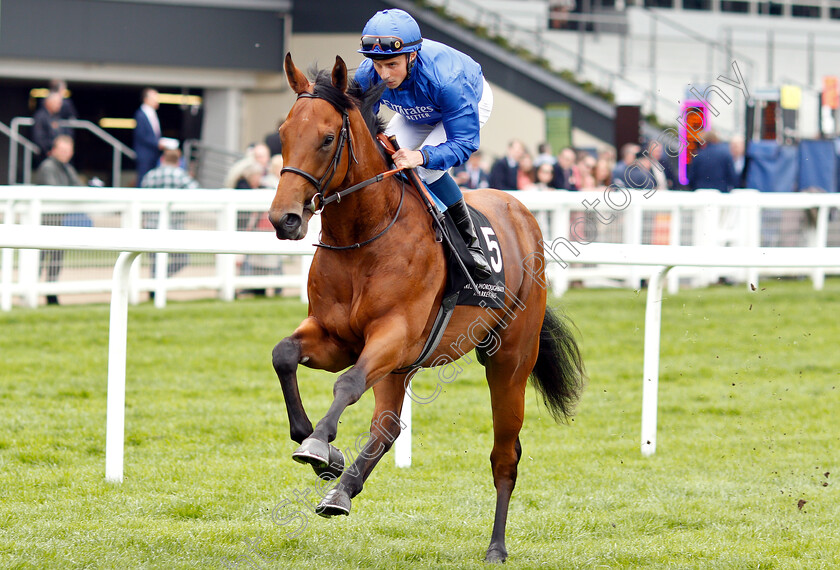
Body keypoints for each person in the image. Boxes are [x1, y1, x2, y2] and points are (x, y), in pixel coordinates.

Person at [354, 8, 492, 279]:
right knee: (383, 164)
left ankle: (469, 244)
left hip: (466, 102)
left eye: (392, 65)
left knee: (423, 170)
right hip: (415, 110)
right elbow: (361, 129)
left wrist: (422, 156)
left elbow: (463, 143)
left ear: (412, 55)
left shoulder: (448, 80)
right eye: (378, 65)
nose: (383, 75)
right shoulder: (367, 74)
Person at [34, 135, 84, 305]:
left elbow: (78, 187)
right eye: (62, 150)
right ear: (54, 150)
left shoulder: (67, 168)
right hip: (43, 222)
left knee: (56, 259)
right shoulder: (48, 166)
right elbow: (54, 191)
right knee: (39, 259)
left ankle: (51, 293)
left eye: (68, 151)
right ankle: (32, 290)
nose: (65, 153)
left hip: (58, 221)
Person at [141, 148, 197, 281]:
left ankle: (155, 284)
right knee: (182, 259)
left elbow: (142, 197)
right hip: (174, 225)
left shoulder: (151, 174)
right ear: (178, 161)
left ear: (162, 159)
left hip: (152, 224)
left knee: (155, 261)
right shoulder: (181, 175)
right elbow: (196, 192)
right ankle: (160, 280)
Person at [133, 87, 165, 187]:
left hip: (154, 153)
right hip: (145, 154)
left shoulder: (153, 113)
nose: (156, 100)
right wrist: (157, 143)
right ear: (146, 99)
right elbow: (141, 134)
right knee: (143, 178)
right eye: (154, 98)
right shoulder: (141, 114)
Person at [32, 92, 71, 160]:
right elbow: (38, 137)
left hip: (56, 153)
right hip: (45, 155)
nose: (59, 105)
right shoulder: (40, 116)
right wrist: (48, 150)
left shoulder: (57, 116)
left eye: (60, 103)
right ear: (49, 102)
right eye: (57, 103)